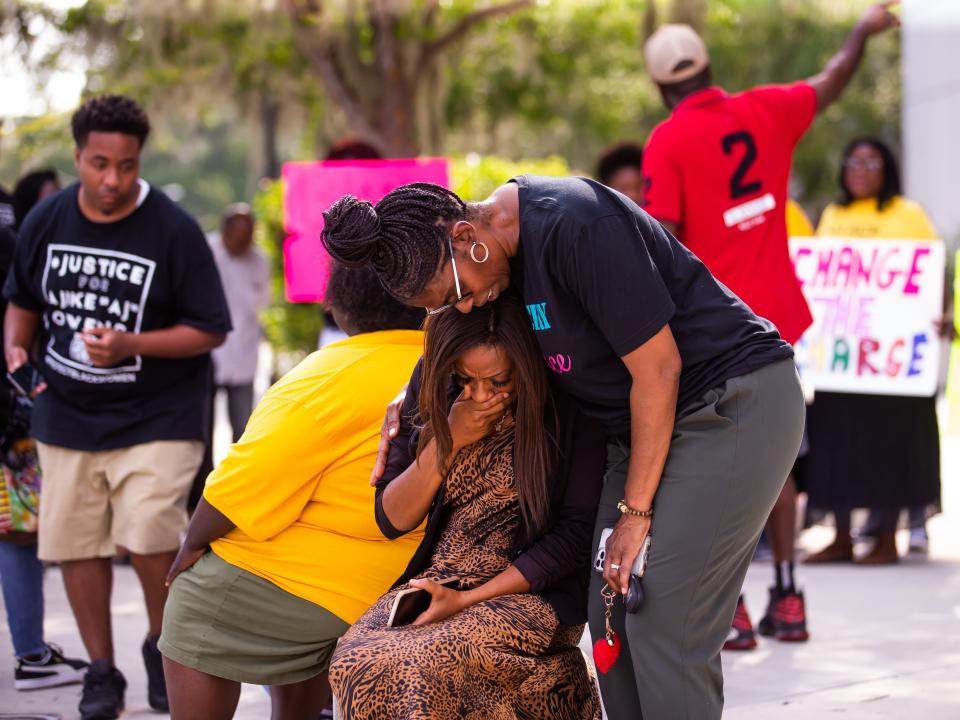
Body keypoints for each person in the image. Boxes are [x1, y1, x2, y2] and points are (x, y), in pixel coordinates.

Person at [320, 176, 805, 719]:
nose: (464, 308)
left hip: (726, 403)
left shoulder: (573, 224)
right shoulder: (500, 266)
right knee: (611, 610)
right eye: (446, 309)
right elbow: (475, 346)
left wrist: (635, 513)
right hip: (640, 427)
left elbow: (661, 369)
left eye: (458, 294)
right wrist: (412, 394)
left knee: (667, 619)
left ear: (464, 237)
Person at [640, 1, 900, 649]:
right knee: (776, 458)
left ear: (661, 86)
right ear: (706, 69)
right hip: (778, 319)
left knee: (707, 461)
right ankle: (789, 595)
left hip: (711, 328)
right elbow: (832, 78)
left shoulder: (668, 140)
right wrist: (861, 31)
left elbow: (662, 243)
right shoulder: (767, 108)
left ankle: (732, 609)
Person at [2, 95, 231, 719]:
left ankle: (164, 648)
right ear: (78, 156)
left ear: (139, 161)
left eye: (126, 166)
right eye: (99, 164)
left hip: (157, 417)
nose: (112, 179)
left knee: (152, 532)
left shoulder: (173, 229)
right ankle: (101, 671)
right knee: (77, 544)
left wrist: (130, 344)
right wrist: (16, 349)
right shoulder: (47, 220)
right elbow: (21, 298)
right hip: (66, 415)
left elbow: (210, 328)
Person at [159, 261, 427, 720]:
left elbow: (246, 479)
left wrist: (191, 543)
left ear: (336, 303)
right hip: (418, 564)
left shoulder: (332, 371)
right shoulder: (447, 357)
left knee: (195, 603)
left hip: (349, 585)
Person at [328, 292, 605, 719]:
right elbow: (392, 518)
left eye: (498, 381)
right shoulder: (435, 389)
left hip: (531, 590)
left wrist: (468, 600)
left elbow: (573, 537)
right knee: (354, 660)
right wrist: (448, 441)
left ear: (528, 366)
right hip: (440, 580)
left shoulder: (567, 405)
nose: (479, 394)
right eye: (466, 379)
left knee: (418, 664)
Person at [802, 137, 941, 565]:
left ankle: (886, 539)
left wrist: (938, 315)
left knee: (890, 444)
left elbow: (931, 273)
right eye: (853, 160)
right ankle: (841, 538)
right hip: (843, 361)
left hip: (890, 364)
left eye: (871, 162)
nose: (860, 169)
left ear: (887, 169)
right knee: (836, 443)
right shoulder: (833, 214)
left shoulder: (908, 214)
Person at [0, 223, 88, 691]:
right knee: (17, 533)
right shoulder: (11, 240)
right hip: (11, 425)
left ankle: (32, 649)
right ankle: (31, 654)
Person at [209, 204, 270, 442]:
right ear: (225, 232)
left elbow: (264, 302)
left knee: (242, 428)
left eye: (248, 237)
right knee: (202, 427)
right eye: (237, 237)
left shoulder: (259, 260)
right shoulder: (206, 251)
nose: (243, 243)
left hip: (244, 354)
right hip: (209, 354)